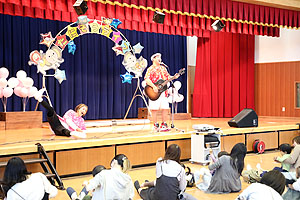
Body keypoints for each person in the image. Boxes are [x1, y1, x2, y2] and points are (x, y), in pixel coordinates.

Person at [144, 53, 170, 132]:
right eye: (158, 57)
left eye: (160, 57)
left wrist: (174, 77)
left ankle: (164, 124)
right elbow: (147, 79)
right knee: (154, 109)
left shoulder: (163, 68)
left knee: (165, 108)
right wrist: (154, 86)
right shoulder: (150, 69)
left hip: (163, 92)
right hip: (154, 91)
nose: (159, 59)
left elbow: (167, 78)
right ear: (154, 59)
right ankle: (155, 125)